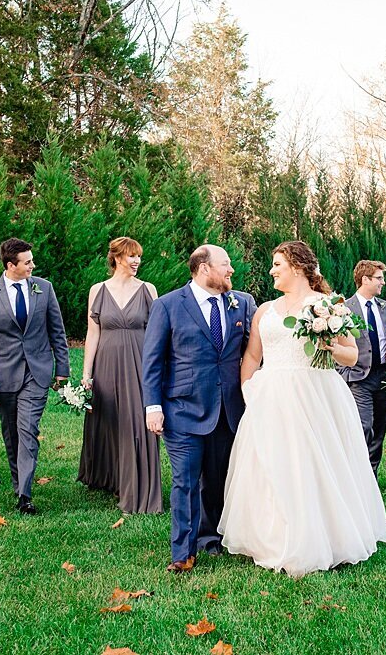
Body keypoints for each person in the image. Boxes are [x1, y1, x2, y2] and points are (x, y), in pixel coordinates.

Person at [220, 241, 386, 576]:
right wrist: (248, 389)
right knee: (271, 462)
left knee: (311, 463)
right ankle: (271, 536)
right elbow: (253, 356)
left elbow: (351, 356)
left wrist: (329, 345)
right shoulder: (265, 310)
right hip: (269, 395)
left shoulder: (327, 305)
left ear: (298, 266)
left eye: (277, 264)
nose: (272, 270)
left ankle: (321, 535)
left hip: (314, 392)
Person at [141, 245, 258, 572]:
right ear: (204, 268)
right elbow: (152, 361)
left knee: (218, 480)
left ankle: (211, 538)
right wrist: (153, 406)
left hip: (227, 411)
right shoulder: (167, 305)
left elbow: (253, 352)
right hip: (183, 410)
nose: (231, 270)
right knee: (185, 482)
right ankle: (183, 553)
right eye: (226, 264)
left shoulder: (241, 304)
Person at [0, 238, 71, 515]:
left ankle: (25, 495)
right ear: (10, 265)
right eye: (27, 262)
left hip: (37, 373)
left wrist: (62, 370)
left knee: (28, 430)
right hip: (4, 375)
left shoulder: (44, 288)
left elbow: (57, 332)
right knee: (11, 433)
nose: (33, 265)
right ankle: (18, 484)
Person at [77, 237, 162, 514]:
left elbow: (157, 333)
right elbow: (93, 333)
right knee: (109, 420)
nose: (136, 261)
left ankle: (139, 486)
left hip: (139, 362)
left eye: (138, 256)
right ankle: (111, 476)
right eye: (131, 256)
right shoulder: (98, 290)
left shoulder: (148, 289)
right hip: (107, 363)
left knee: (137, 421)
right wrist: (87, 374)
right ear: (116, 258)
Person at [336, 259, 386, 475]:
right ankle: (355, 472)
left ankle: (371, 475)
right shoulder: (344, 308)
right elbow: (336, 343)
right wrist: (344, 373)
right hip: (358, 376)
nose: (383, 282)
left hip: (384, 376)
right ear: (365, 280)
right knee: (363, 426)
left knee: (379, 428)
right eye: (379, 278)